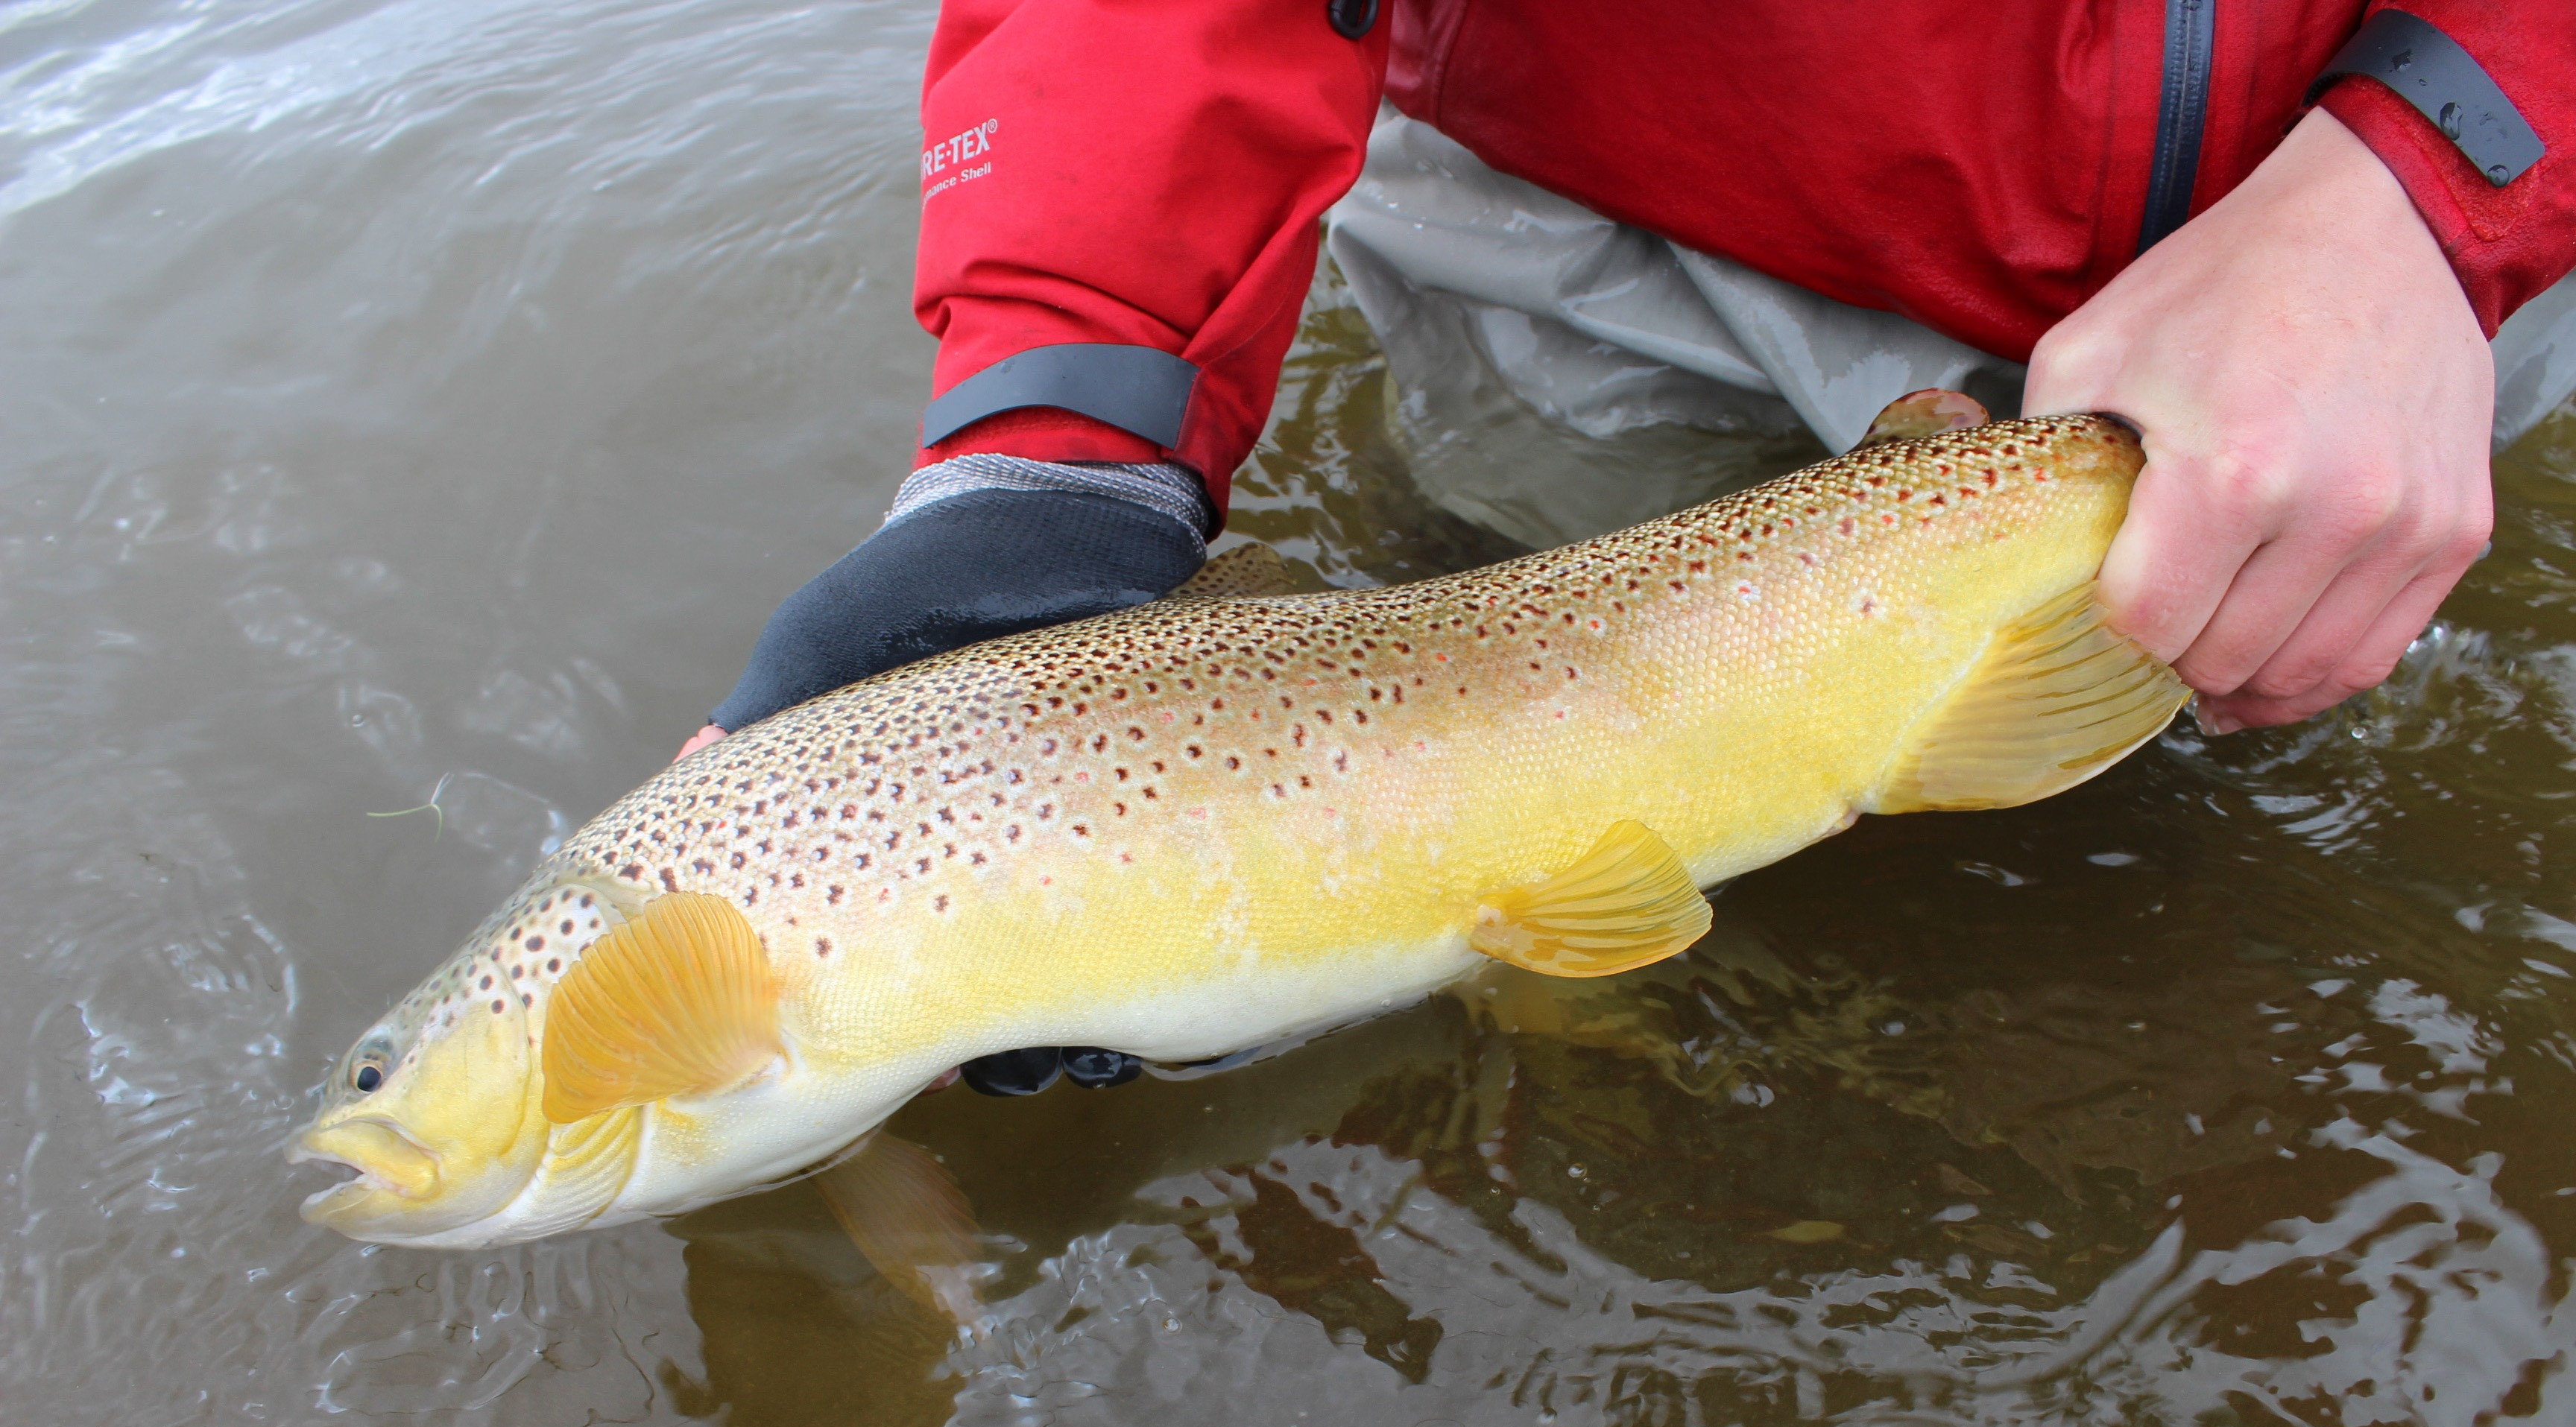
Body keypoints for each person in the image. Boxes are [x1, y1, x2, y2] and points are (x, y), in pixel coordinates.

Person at [679, 1, 2575, 1094]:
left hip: (2391, 194)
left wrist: (2448, 165)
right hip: (1620, 214)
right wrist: (1057, 436)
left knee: (2249, 708)